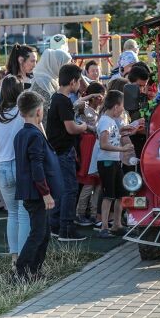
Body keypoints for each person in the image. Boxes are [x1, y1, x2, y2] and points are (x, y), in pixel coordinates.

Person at [13, 91, 62, 281]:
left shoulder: (21, 135)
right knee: (38, 233)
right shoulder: (35, 136)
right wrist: (46, 193)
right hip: (37, 193)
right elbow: (37, 166)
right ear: (39, 112)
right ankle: (22, 270)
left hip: (30, 192)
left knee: (43, 232)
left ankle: (34, 270)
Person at [0, 75, 27, 266]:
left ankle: (14, 256)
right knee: (25, 211)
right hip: (21, 164)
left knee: (12, 213)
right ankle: (25, 256)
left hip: (1, 166)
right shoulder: (23, 113)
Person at [46, 64, 88, 241]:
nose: (80, 84)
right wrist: (84, 126)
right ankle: (67, 228)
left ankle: (55, 225)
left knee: (61, 189)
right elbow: (70, 128)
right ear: (73, 82)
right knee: (70, 189)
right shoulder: (63, 101)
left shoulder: (56, 98)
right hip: (63, 150)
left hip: (57, 150)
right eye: (79, 81)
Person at [95, 90, 133, 238]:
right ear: (116, 106)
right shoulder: (105, 121)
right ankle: (104, 226)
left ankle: (117, 224)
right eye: (122, 106)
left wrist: (122, 130)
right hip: (107, 161)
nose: (123, 109)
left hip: (114, 161)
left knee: (121, 193)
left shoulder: (110, 121)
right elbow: (104, 144)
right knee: (108, 194)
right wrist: (122, 148)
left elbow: (110, 137)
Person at [75, 82, 105, 227]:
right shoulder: (85, 109)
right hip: (88, 146)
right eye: (99, 97)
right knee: (88, 182)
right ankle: (80, 213)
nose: (101, 99)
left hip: (98, 146)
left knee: (98, 182)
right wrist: (90, 95)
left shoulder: (101, 111)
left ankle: (94, 214)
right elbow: (75, 104)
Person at [30, 49, 72, 127]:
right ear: (55, 64)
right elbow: (54, 107)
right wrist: (75, 107)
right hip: (45, 129)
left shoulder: (51, 79)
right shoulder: (42, 82)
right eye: (64, 65)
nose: (66, 70)